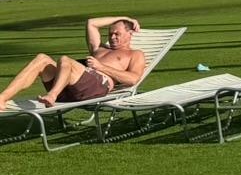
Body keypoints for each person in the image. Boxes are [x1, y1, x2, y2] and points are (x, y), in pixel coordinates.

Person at [0, 15, 151, 108]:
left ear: (130, 34)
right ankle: (2, 98)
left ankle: (52, 95)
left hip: (96, 87)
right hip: (70, 85)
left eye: (117, 34)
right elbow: (91, 23)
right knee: (42, 59)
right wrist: (125, 18)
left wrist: (101, 66)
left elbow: (133, 79)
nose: (112, 37)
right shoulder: (99, 48)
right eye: (110, 34)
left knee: (66, 60)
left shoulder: (134, 54)